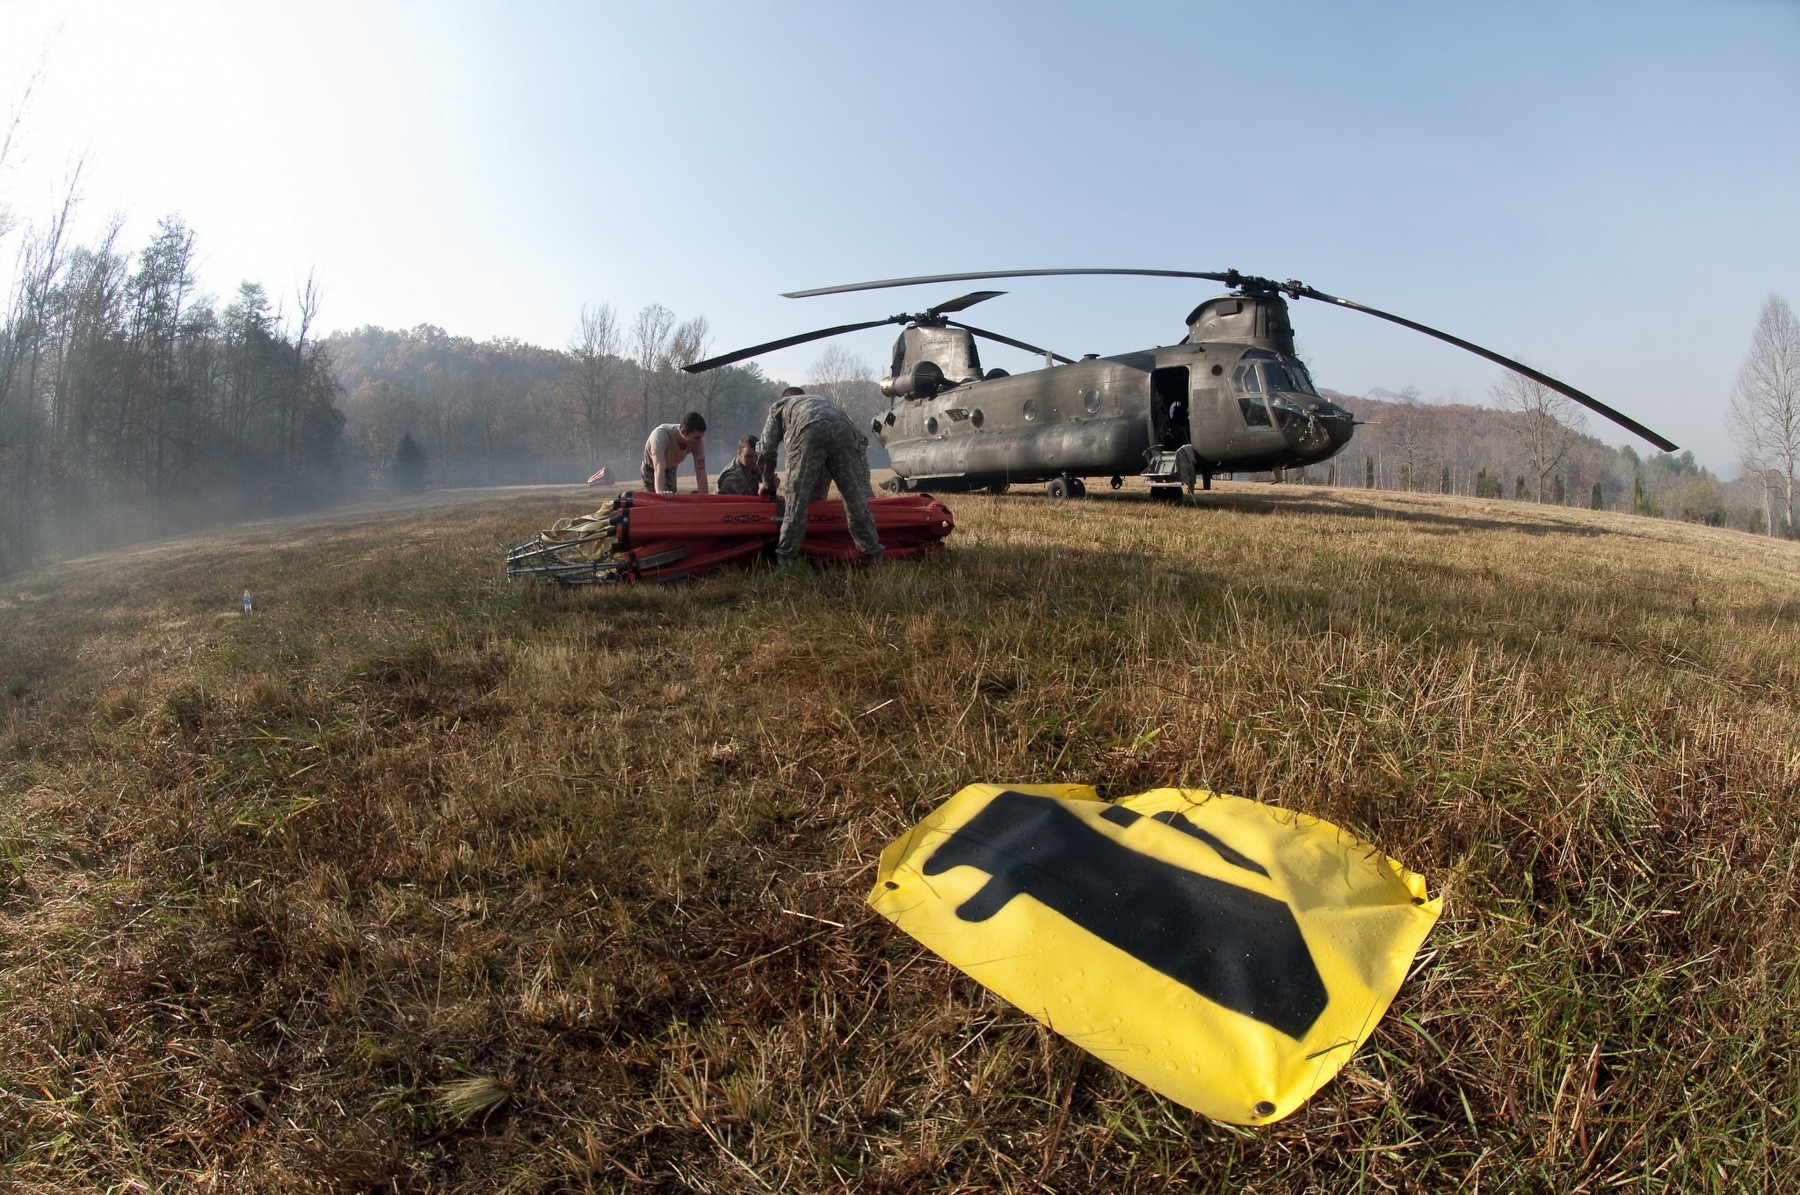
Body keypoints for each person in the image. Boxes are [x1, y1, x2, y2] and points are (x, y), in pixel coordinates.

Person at [758, 387, 883, 565]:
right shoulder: (822, 402)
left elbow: (766, 450)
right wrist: (864, 487)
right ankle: (873, 554)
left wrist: (767, 483)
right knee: (854, 500)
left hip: (808, 430)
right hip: (843, 430)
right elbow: (860, 441)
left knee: (797, 500)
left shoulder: (778, 407)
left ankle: (785, 559)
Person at [641, 411, 709, 494]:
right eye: (696, 437)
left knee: (672, 496)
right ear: (684, 432)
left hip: (671, 467)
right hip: (652, 468)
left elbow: (701, 471)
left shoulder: (697, 441)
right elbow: (658, 467)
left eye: (700, 437)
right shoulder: (661, 436)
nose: (699, 441)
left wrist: (704, 499)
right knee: (658, 498)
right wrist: (661, 493)